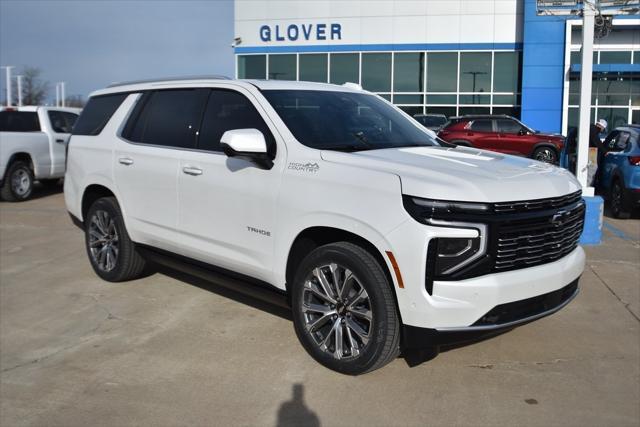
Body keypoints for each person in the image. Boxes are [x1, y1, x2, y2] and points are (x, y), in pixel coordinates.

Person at [589, 119, 607, 186]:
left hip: (589, 151)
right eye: (603, 129)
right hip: (591, 151)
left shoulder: (591, 128)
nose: (602, 130)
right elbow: (596, 141)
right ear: (601, 127)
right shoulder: (594, 130)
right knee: (593, 168)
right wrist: (605, 151)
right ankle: (589, 185)